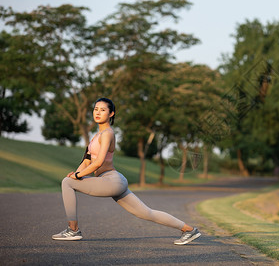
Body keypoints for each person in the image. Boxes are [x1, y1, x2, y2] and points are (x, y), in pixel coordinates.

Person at [52, 97, 201, 245]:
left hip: (111, 180)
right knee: (146, 213)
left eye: (103, 110)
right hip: (114, 181)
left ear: (111, 114)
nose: (98, 112)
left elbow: (98, 162)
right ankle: (189, 230)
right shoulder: (95, 137)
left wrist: (76, 176)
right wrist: (75, 175)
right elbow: (86, 161)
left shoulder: (108, 134)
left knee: (66, 183)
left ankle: (73, 230)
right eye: (96, 109)